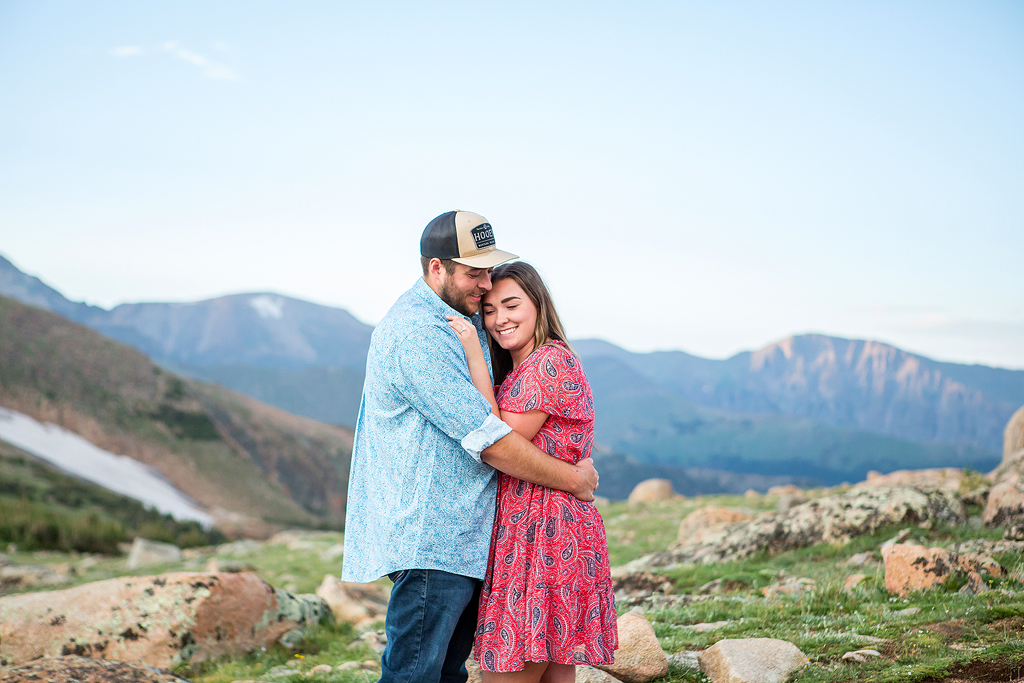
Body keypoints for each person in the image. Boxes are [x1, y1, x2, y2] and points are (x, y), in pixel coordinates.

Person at [341, 211, 600, 683]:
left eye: (488, 270)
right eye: (473, 272)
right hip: (434, 538)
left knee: (445, 675)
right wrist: (574, 479)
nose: (484, 285)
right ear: (437, 268)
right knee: (415, 676)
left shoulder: (457, 318)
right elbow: (492, 439)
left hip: (467, 540)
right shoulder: (418, 333)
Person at [446, 262, 617, 683]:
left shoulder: (546, 364)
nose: (499, 319)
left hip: (541, 536)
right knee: (553, 673)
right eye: (488, 310)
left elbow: (498, 437)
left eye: (510, 304)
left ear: (538, 303)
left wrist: (472, 352)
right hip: (548, 530)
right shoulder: (530, 365)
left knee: (509, 670)